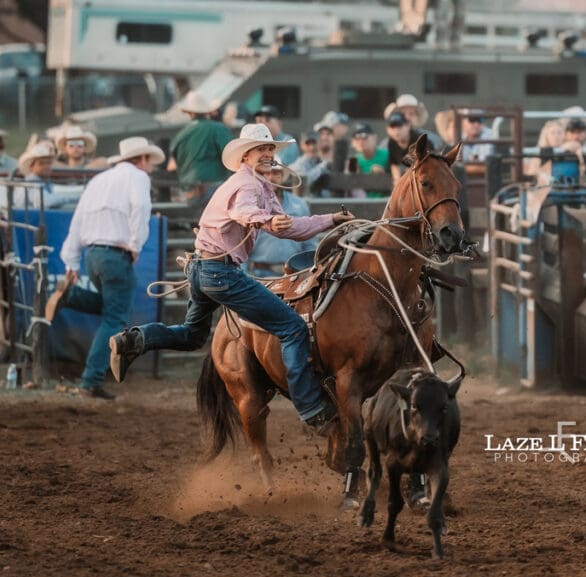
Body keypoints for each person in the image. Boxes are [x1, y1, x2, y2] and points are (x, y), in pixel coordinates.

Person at [106, 123, 356, 432]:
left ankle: (134, 339)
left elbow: (289, 228)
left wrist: (329, 219)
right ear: (245, 155)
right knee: (291, 327)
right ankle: (312, 408)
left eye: (270, 149)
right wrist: (265, 220)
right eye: (261, 149)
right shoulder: (249, 186)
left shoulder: (256, 185)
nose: (267, 154)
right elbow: (244, 212)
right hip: (220, 272)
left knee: (191, 335)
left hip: (202, 269)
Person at [44, 136, 164, 399]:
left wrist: (71, 260)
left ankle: (72, 296)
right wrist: (135, 244)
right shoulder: (138, 178)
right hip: (114, 254)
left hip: (93, 254)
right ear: (141, 159)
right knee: (115, 316)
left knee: (113, 308)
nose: (151, 167)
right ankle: (91, 379)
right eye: (150, 161)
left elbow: (78, 219)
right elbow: (142, 208)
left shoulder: (99, 180)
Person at [246, 163, 319, 277]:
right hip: (259, 274)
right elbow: (242, 245)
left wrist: (308, 270)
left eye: (276, 173)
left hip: (294, 273)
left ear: (282, 177)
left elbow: (309, 242)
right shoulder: (252, 205)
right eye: (266, 173)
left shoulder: (299, 204)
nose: (271, 177)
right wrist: (245, 275)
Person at [166, 92, 232, 194]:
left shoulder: (180, 135)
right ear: (208, 112)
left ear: (189, 112)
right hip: (213, 187)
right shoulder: (218, 129)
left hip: (188, 190)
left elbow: (171, 166)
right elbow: (232, 156)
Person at [12, 140, 71, 209]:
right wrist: (70, 198)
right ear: (31, 167)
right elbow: (45, 201)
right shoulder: (32, 184)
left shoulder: (40, 181)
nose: (46, 166)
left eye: (49, 163)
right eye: (41, 163)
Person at [385, 110, 421, 183]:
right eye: (393, 127)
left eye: (399, 126)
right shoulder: (391, 143)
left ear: (408, 126)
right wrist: (397, 180)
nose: (396, 131)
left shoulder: (418, 140)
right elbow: (394, 164)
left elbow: (422, 163)